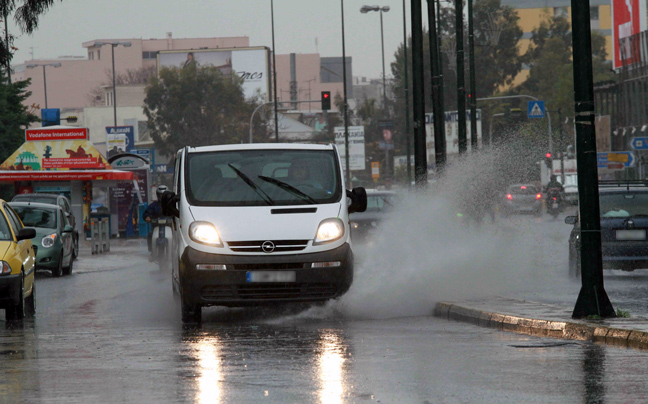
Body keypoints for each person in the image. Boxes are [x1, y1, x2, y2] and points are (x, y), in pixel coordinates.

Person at [143, 185, 168, 261]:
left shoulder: (171, 204)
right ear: (157, 195)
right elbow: (147, 213)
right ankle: (152, 252)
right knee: (150, 235)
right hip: (156, 228)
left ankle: (177, 253)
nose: (162, 197)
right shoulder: (153, 205)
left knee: (177, 237)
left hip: (170, 227)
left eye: (163, 195)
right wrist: (147, 217)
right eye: (160, 195)